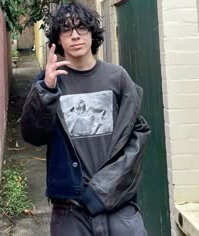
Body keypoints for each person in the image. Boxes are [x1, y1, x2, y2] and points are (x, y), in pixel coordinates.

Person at [20, 1, 150, 235]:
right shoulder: (50, 80)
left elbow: (137, 135)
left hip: (117, 205)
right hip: (70, 211)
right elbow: (33, 135)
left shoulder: (117, 77)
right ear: (58, 39)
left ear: (92, 33)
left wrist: (104, 188)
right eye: (67, 29)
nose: (75, 36)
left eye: (82, 28)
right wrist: (47, 90)